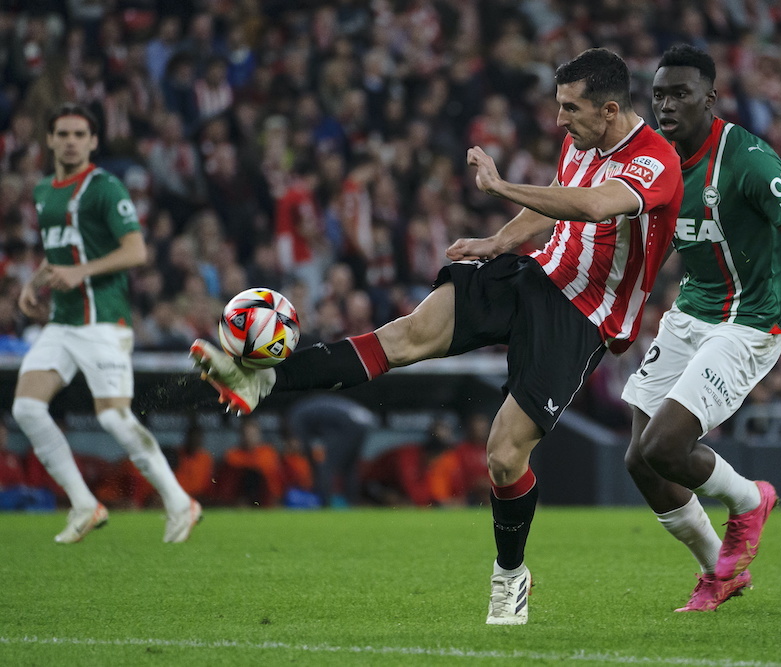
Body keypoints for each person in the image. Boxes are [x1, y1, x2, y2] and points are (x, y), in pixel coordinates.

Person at [191, 48, 683, 625]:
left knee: (503, 456)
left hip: (582, 316)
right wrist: (497, 242)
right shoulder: (581, 140)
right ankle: (263, 379)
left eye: (570, 109)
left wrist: (502, 187)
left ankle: (510, 575)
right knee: (406, 335)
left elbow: (596, 205)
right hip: (534, 275)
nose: (559, 121)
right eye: (557, 107)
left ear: (609, 109)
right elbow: (556, 201)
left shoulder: (656, 161)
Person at [620, 45, 781, 612]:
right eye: (658, 94)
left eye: (680, 93)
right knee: (640, 460)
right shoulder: (655, 162)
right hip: (690, 314)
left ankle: (749, 500)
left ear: (711, 98)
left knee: (666, 445)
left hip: (749, 323)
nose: (666, 104)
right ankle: (719, 572)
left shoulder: (749, 159)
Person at [12, 103, 202, 544]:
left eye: (80, 134)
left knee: (114, 418)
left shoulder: (103, 186)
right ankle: (84, 504)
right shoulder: (44, 192)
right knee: (26, 407)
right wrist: (35, 281)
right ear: (50, 140)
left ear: (94, 141)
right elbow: (62, 250)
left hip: (102, 322)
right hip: (62, 323)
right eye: (63, 134)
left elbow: (136, 251)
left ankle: (179, 501)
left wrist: (81, 273)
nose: (71, 141)